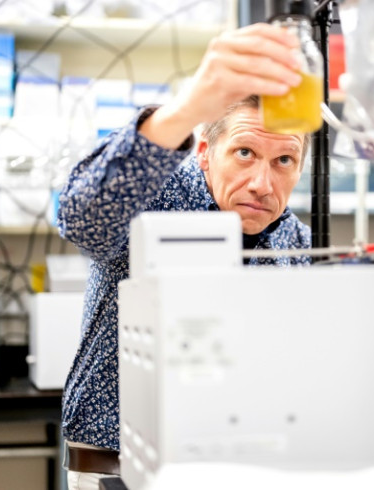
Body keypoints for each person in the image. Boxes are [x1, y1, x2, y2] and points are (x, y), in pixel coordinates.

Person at [57, 22, 313, 490]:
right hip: (117, 465)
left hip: (234, 463)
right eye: (244, 152)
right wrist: (188, 107)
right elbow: (82, 219)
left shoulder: (293, 239)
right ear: (204, 153)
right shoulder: (153, 195)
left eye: (283, 161)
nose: (262, 183)